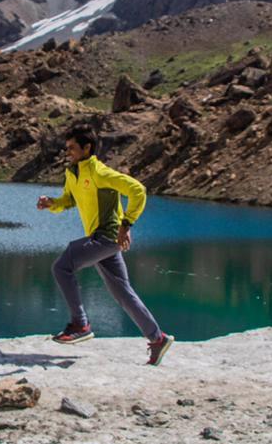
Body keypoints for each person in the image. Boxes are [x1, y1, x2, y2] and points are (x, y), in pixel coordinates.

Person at [36, 125, 174, 366]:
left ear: (87, 148)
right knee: (123, 293)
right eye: (67, 148)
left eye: (72, 148)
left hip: (107, 238)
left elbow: (138, 190)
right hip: (102, 240)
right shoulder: (73, 173)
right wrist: (52, 203)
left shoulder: (100, 172)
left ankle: (80, 324)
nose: (68, 152)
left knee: (62, 267)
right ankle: (158, 338)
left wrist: (126, 224)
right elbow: (69, 200)